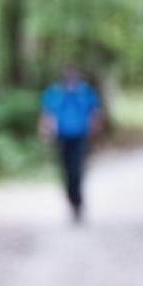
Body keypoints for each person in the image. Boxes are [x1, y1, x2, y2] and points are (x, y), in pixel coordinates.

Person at [38, 66, 103, 222]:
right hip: (62, 137)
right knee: (66, 171)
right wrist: (45, 132)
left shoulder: (86, 92)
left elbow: (95, 113)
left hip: (80, 137)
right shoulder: (54, 93)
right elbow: (47, 114)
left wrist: (95, 131)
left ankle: (78, 202)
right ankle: (72, 201)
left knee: (77, 171)